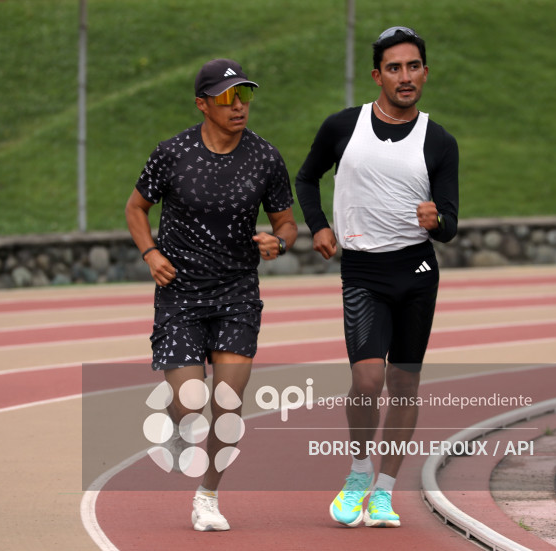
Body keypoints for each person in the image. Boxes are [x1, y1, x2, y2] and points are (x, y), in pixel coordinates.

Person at [295, 26, 459, 527]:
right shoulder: (344, 126)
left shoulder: (440, 140)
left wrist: (438, 221)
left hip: (417, 269)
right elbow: (306, 176)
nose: (405, 77)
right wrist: (320, 226)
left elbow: (450, 223)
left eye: (413, 67)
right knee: (367, 380)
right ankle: (359, 473)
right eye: (394, 68)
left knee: (405, 384)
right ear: (377, 75)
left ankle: (385, 491)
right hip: (364, 269)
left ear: (425, 74)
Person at [125, 58, 297, 532]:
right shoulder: (172, 153)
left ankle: (208, 497)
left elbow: (286, 221)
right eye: (226, 97)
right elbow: (136, 207)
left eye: (244, 95)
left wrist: (279, 241)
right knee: (191, 402)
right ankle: (175, 412)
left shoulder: (265, 157)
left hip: (237, 292)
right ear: (202, 104)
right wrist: (150, 253)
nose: (238, 105)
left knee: (228, 402)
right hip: (180, 294)